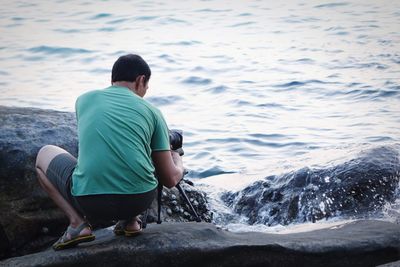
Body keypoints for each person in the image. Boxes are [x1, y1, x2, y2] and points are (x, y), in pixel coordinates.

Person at [35, 54, 184, 250]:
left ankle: (77, 224)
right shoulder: (153, 112)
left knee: (43, 154)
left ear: (112, 79)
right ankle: (131, 221)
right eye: (146, 86)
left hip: (90, 202)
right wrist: (177, 160)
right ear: (141, 80)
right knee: (141, 152)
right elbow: (170, 180)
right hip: (139, 200)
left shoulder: (83, 100)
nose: (146, 91)